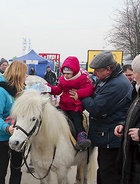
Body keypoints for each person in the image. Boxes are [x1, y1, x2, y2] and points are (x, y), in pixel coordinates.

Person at [81, 51, 132, 184]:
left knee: (108, 173)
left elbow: (96, 109)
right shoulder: (110, 80)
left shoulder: (116, 85)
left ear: (108, 69)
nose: (95, 73)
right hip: (107, 136)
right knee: (103, 170)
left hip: (111, 137)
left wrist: (81, 95)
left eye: (97, 70)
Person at [46, 56, 94, 150]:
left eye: (68, 73)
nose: (66, 75)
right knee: (52, 114)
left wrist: (79, 93)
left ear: (75, 71)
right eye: (64, 73)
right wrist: (48, 88)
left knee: (77, 120)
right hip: (63, 105)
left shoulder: (82, 79)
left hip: (75, 107)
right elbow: (58, 90)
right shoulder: (62, 79)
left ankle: (81, 138)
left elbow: (90, 89)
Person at [0, 60, 27, 184]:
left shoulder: (23, 91)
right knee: (1, 172)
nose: (26, 76)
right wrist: (7, 128)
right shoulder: (1, 92)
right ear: (18, 74)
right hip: (2, 138)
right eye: (24, 73)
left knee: (16, 170)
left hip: (18, 138)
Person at [114, 54, 140, 184]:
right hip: (131, 159)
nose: (133, 76)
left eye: (135, 72)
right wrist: (124, 125)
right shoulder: (136, 93)